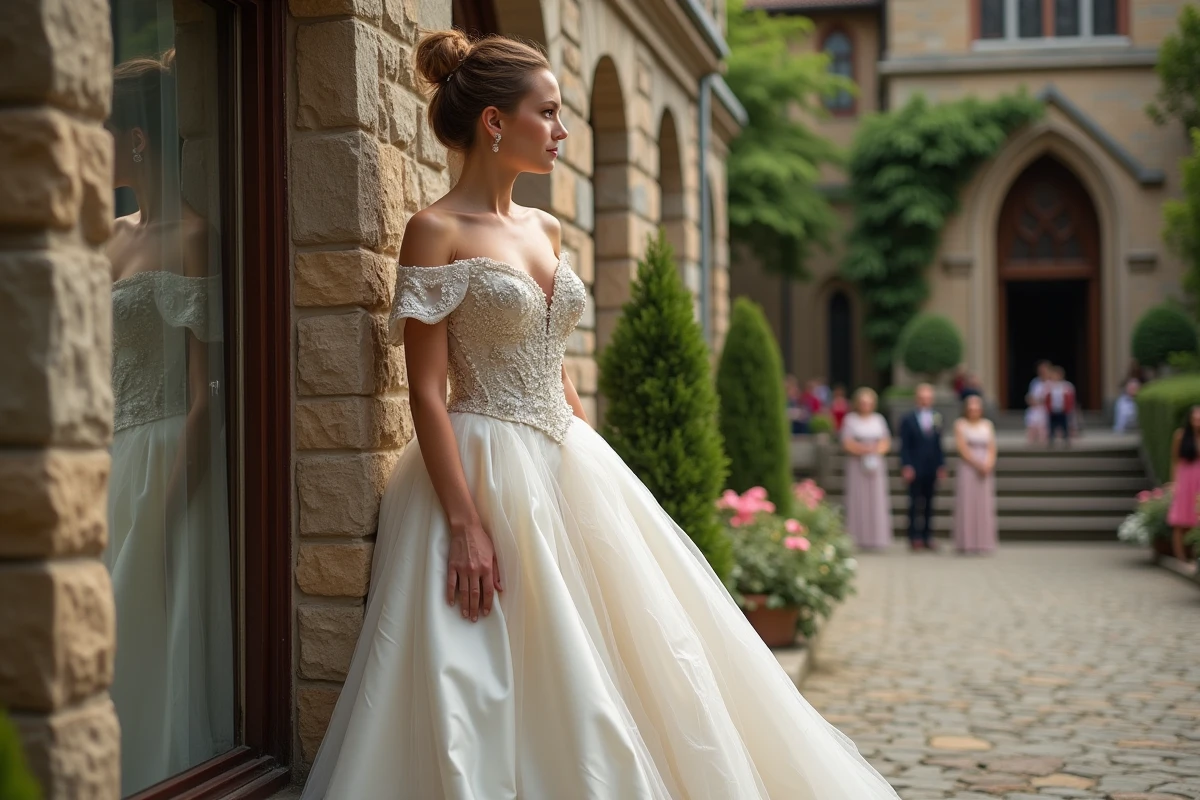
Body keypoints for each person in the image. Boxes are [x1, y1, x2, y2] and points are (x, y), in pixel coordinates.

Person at [300, 31, 901, 800]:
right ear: (495, 122)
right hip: (483, 466)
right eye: (548, 113)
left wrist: (597, 471)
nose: (561, 131)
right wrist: (465, 522)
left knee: (637, 647)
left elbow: (551, 364)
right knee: (493, 671)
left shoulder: (545, 228)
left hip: (568, 455)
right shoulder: (435, 231)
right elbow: (425, 392)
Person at [103, 51, 235, 794]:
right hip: (109, 460)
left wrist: (163, 514)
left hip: (168, 461)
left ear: (138, 140)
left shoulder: (192, 237)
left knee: (147, 635)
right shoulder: (111, 237)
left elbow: (208, 395)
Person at [840, 388, 893, 550]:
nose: (865, 406)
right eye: (863, 403)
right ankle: (857, 537)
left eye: (868, 403)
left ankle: (877, 537)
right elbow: (846, 442)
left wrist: (875, 451)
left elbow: (886, 441)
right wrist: (863, 450)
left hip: (875, 464)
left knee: (876, 499)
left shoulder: (878, 419)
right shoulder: (850, 420)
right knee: (858, 498)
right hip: (857, 464)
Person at [899, 383, 946, 551]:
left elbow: (939, 444)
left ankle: (927, 536)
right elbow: (904, 445)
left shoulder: (937, 417)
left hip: (931, 466)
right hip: (915, 465)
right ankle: (914, 536)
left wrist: (941, 465)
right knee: (914, 502)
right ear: (917, 399)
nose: (925, 401)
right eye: (922, 398)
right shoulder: (908, 419)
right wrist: (906, 465)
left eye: (928, 398)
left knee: (930, 503)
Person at [952, 395, 997, 555]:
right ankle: (967, 541)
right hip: (969, 467)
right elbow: (962, 447)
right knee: (968, 502)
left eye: (977, 408)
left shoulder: (987, 425)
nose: (974, 411)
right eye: (971, 408)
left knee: (983, 504)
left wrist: (988, 463)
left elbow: (992, 447)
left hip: (985, 468)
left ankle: (984, 541)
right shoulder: (960, 424)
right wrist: (977, 464)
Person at [1167, 406, 1200, 563]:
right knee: (1180, 518)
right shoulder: (1180, 435)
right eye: (1195, 418)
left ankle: (1195, 556)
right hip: (1186, 479)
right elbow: (1174, 460)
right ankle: (1181, 557)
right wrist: (1174, 482)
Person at [1045, 366, 1076, 446]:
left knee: (1064, 425)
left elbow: (1071, 399)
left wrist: (1068, 408)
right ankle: (1051, 441)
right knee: (1052, 426)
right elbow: (1046, 398)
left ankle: (1066, 440)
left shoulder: (1067, 386)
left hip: (1063, 410)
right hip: (1052, 410)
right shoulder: (1049, 386)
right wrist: (1048, 408)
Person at [1025, 360, 1051, 444]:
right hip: (1034, 410)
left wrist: (1040, 401)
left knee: (1043, 434)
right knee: (1032, 431)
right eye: (1040, 370)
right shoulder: (1035, 382)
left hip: (1046, 411)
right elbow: (1031, 395)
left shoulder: (1051, 382)